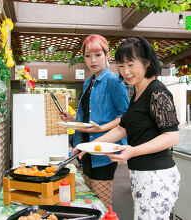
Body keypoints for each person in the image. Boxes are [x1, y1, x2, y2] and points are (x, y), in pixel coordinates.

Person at [75, 36, 180, 219]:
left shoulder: (157, 92)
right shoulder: (137, 92)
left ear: (147, 62)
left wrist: (133, 150)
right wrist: (87, 147)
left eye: (131, 64)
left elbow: (171, 137)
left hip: (157, 175)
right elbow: (122, 128)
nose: (125, 71)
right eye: (121, 66)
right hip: (140, 173)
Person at [60, 34, 129, 208]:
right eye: (88, 56)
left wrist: (101, 128)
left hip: (103, 150)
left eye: (98, 55)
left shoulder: (115, 80)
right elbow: (89, 115)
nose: (93, 60)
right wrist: (72, 118)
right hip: (85, 146)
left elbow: (125, 118)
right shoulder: (88, 82)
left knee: (101, 202)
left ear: (107, 55)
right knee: (89, 199)